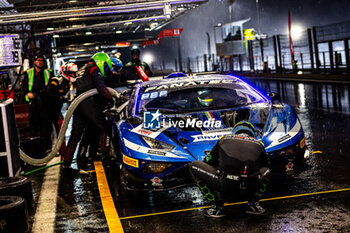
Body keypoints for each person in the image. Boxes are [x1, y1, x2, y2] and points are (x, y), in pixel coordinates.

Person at [189, 121, 271, 217]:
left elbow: (208, 160)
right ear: (252, 133)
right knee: (267, 170)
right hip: (250, 186)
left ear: (235, 131)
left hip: (224, 184)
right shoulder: (259, 144)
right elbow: (267, 165)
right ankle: (253, 204)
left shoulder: (223, 139)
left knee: (193, 165)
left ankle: (217, 207)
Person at [62, 52, 114, 172]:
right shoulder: (94, 69)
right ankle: (104, 156)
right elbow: (102, 88)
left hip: (78, 104)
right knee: (104, 127)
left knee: (75, 135)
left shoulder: (82, 69)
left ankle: (67, 164)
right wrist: (112, 99)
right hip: (89, 103)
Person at [39, 63, 78, 153]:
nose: (73, 75)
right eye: (71, 73)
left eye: (74, 73)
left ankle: (61, 148)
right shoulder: (56, 81)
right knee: (47, 129)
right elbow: (47, 93)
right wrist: (60, 98)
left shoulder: (67, 84)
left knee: (60, 129)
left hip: (56, 108)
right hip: (46, 108)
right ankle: (48, 149)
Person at [21, 55, 53, 139]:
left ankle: (46, 146)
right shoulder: (29, 72)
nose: (40, 62)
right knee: (33, 125)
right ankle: (34, 146)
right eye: (38, 60)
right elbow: (23, 86)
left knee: (45, 126)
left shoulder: (48, 72)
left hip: (45, 102)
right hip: (33, 102)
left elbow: (51, 85)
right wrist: (28, 93)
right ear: (34, 61)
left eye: (42, 60)